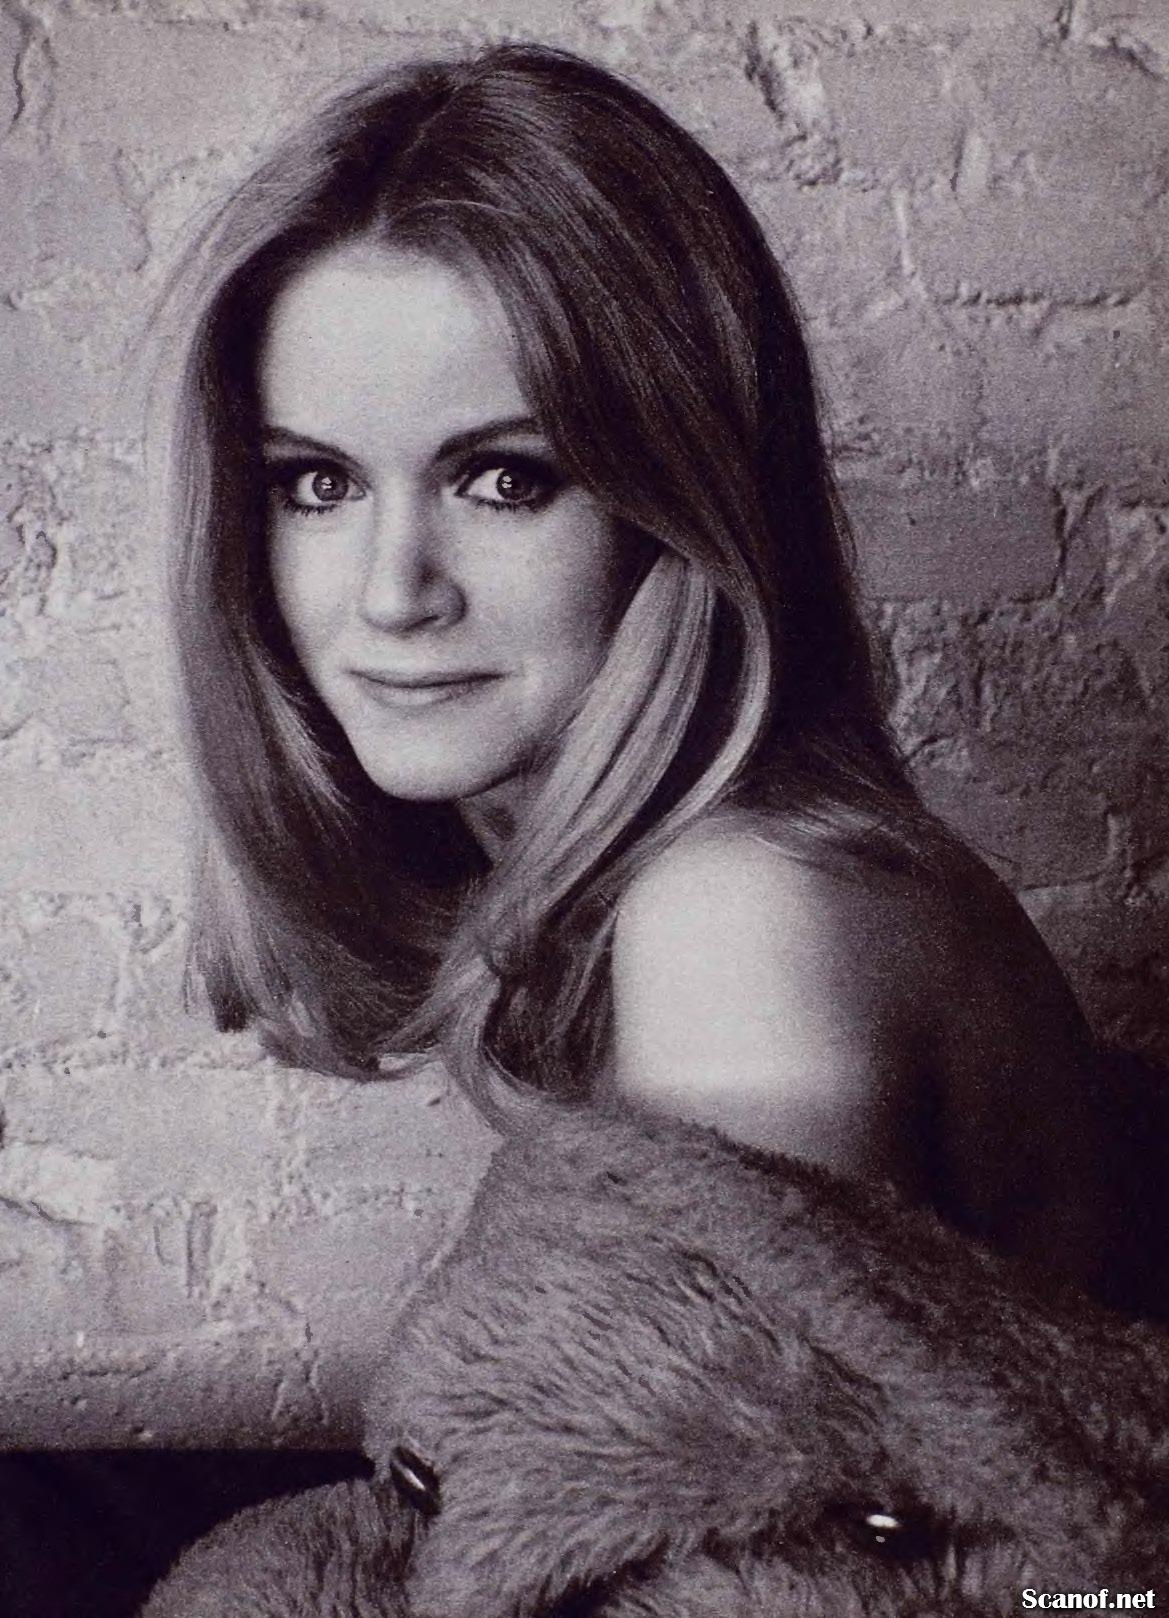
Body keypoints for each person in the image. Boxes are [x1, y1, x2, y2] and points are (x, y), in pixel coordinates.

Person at [162, 42, 1119, 1298]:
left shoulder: (740, 914)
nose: (393, 593)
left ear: (679, 505)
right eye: (318, 483)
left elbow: (715, 1432)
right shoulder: (646, 893)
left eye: (505, 479)